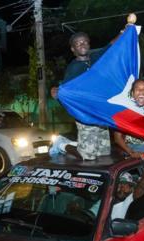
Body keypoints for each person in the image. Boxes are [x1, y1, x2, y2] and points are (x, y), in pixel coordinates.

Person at [50, 30, 123, 160]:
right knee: (87, 155)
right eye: (78, 43)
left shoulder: (94, 58)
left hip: (100, 114)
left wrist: (124, 32)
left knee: (103, 152)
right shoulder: (73, 68)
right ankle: (62, 144)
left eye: (85, 42)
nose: (82, 44)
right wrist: (58, 94)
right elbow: (66, 91)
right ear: (73, 49)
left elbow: (110, 46)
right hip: (85, 114)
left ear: (89, 44)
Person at [111, 142, 144, 220]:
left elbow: (142, 186)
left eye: (124, 184)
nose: (121, 188)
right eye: (119, 185)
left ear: (131, 188)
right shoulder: (105, 200)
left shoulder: (127, 200)